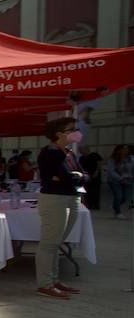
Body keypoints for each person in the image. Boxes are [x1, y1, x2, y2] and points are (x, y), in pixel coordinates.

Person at [35, 117, 86, 299]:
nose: (76, 131)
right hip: (55, 198)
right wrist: (74, 176)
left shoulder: (68, 152)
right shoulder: (50, 152)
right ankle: (45, 284)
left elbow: (78, 175)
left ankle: (54, 280)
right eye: (72, 129)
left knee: (56, 242)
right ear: (59, 134)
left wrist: (75, 176)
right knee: (49, 243)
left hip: (70, 197)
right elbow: (60, 176)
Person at [109, 145, 132, 217]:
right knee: (118, 195)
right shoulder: (112, 159)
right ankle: (118, 212)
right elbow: (111, 171)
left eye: (127, 149)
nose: (126, 150)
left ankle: (115, 205)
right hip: (115, 180)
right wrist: (120, 178)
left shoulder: (131, 159)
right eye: (124, 149)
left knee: (125, 197)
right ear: (118, 151)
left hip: (128, 180)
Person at [79, 147, 103, 211]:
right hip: (87, 176)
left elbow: (99, 163)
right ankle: (89, 204)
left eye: (82, 150)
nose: (81, 152)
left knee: (96, 191)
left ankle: (95, 205)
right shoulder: (81, 158)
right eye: (80, 150)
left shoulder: (94, 155)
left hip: (95, 176)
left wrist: (97, 171)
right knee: (88, 190)